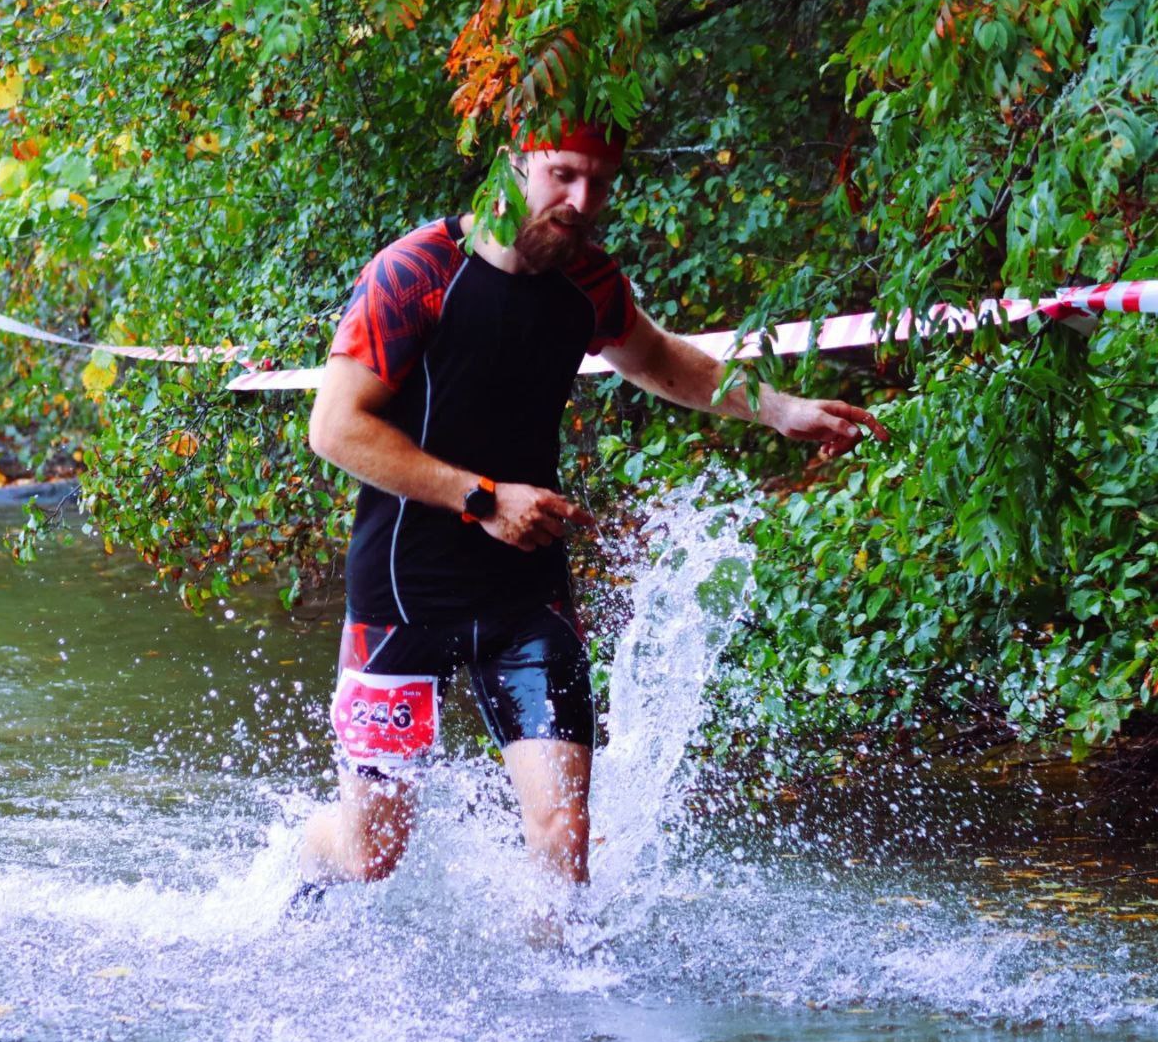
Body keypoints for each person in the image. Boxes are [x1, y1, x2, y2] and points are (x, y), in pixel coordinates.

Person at [297, 119, 887, 895]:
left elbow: (654, 355)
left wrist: (778, 410)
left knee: (565, 836)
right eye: (563, 175)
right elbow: (335, 429)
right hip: (401, 600)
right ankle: (309, 846)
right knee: (373, 854)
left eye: (600, 183)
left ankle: (566, 1008)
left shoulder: (590, 281)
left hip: (523, 594)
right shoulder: (415, 273)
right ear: (514, 164)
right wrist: (481, 498)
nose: (582, 201)